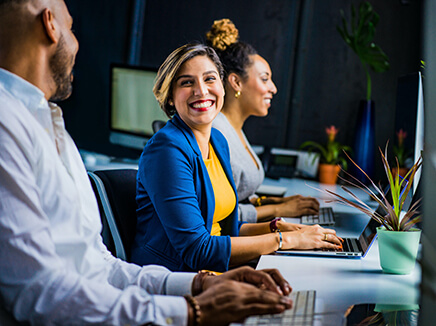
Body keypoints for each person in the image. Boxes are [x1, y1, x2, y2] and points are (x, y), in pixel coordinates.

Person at [0, 1, 294, 325]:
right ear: (50, 25)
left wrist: (202, 285)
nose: (77, 42)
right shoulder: (7, 125)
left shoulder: (49, 126)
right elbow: (40, 293)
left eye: (210, 79)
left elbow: (99, 266)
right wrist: (193, 310)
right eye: (71, 27)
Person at [131, 42, 343, 273]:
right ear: (170, 97)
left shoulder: (218, 141)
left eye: (210, 79)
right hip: (175, 279)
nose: (201, 91)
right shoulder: (167, 149)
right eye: (186, 82)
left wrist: (280, 228)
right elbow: (197, 250)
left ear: (223, 87)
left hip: (214, 272)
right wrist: (285, 240)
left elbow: (226, 230)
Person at [208, 18, 321, 223]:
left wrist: (275, 202)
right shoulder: (217, 133)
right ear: (236, 82)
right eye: (264, 78)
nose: (273, 88)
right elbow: (220, 216)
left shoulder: (234, 129)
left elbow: (238, 197)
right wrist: (278, 210)